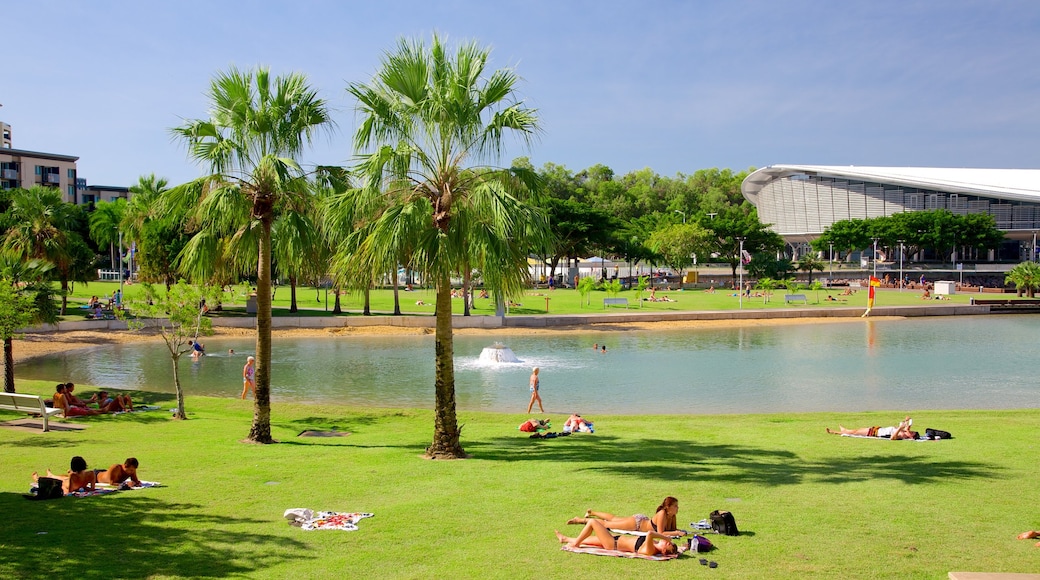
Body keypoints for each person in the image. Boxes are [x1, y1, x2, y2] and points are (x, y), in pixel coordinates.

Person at [566, 497, 684, 537]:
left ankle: (592, 511)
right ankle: (581, 520)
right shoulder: (662, 514)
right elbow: (661, 533)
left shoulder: (672, 515)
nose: (677, 508)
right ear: (668, 507)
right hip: (636, 524)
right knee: (608, 524)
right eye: (675, 506)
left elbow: (672, 530)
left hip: (641, 519)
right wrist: (677, 533)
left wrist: (675, 531)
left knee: (614, 518)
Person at [554, 520, 678, 556]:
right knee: (590, 540)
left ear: (663, 551)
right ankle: (565, 539)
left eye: (666, 544)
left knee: (592, 523)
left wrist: (666, 538)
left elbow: (650, 533)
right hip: (615, 539)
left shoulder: (650, 550)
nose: (665, 542)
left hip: (612, 544)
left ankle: (575, 544)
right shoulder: (655, 544)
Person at [827, 416, 919, 440]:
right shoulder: (905, 431)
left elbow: (892, 438)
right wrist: (907, 419)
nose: (910, 431)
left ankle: (835, 432)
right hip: (877, 429)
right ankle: (844, 430)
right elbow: (907, 424)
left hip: (875, 433)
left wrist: (899, 428)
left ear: (911, 436)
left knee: (855, 432)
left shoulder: (902, 435)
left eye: (911, 433)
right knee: (856, 430)